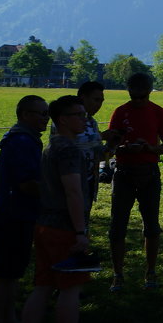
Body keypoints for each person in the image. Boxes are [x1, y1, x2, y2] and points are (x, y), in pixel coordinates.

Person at [15, 95, 97, 323]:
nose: (85, 119)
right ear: (62, 119)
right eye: (79, 114)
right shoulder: (69, 149)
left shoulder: (51, 145)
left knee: (42, 288)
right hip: (64, 228)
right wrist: (80, 232)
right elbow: (73, 191)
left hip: (44, 224)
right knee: (70, 290)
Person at [104, 71, 163, 291]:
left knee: (151, 226)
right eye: (135, 97)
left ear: (150, 92)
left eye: (143, 97)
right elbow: (111, 147)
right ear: (129, 92)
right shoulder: (120, 112)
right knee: (117, 226)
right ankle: (118, 274)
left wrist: (149, 148)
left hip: (149, 173)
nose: (139, 102)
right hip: (123, 172)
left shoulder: (159, 113)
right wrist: (124, 148)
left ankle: (151, 272)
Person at [0, 96, 46, 323]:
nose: (45, 118)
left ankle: (9, 321)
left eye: (47, 113)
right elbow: (27, 183)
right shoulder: (23, 141)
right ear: (24, 114)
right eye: (39, 113)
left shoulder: (26, 138)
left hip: (16, 213)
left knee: (12, 274)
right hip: (12, 214)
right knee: (3, 277)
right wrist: (55, 190)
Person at [74, 81, 107, 221]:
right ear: (82, 98)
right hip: (70, 181)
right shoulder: (66, 118)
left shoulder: (93, 123)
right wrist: (102, 136)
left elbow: (99, 155)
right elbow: (72, 143)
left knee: (83, 223)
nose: (99, 104)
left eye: (101, 101)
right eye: (96, 100)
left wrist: (113, 145)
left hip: (88, 183)